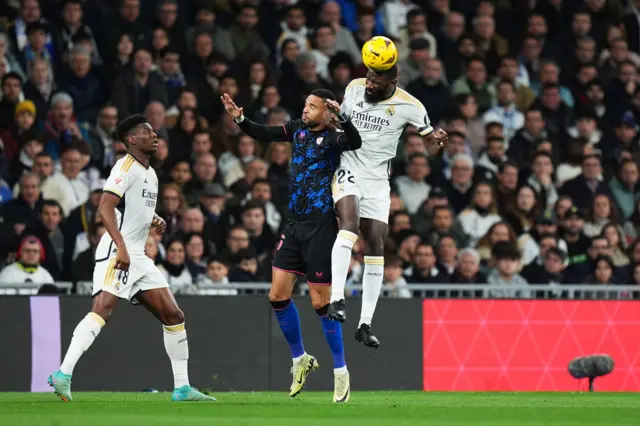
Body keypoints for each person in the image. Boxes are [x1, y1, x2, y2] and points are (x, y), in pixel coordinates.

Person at [48, 114, 214, 403]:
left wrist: (154, 218)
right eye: (147, 132)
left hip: (137, 253)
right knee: (103, 309)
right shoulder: (125, 166)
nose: (155, 135)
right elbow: (105, 206)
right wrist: (121, 247)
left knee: (174, 316)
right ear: (131, 140)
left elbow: (132, 207)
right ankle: (63, 373)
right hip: (119, 249)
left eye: (154, 132)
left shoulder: (150, 173)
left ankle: (182, 388)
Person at [220, 89, 361, 402]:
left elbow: (356, 142)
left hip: (321, 227)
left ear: (327, 111)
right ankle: (301, 360)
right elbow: (264, 132)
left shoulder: (337, 136)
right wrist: (240, 118)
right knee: (277, 295)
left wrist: (345, 118)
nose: (306, 108)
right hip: (294, 225)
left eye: (312, 105)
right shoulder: (297, 128)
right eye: (306, 103)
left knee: (320, 303)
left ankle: (341, 373)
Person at [326, 64, 448, 348]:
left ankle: (365, 324)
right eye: (368, 76)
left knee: (376, 245)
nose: (369, 83)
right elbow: (341, 123)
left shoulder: (410, 106)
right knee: (349, 226)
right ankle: (337, 299)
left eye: (376, 79)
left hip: (379, 180)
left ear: (392, 80)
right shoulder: (353, 87)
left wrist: (439, 145)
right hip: (350, 169)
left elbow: (430, 146)